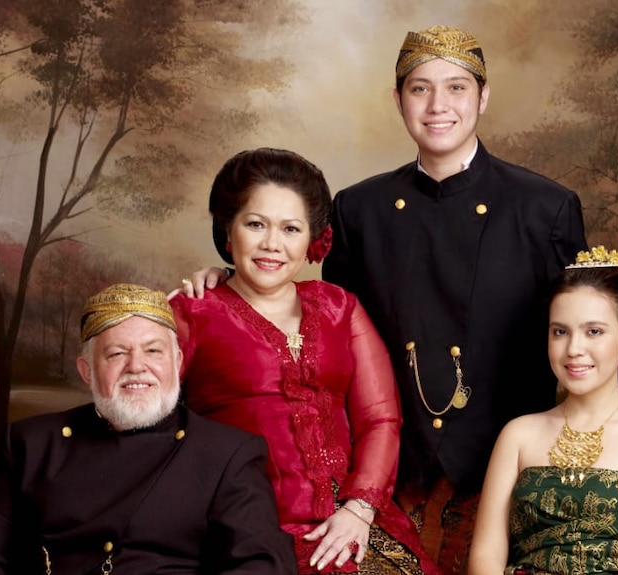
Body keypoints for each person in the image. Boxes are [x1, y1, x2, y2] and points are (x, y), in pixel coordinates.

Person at [179, 25, 618, 574]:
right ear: (398, 101)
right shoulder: (359, 208)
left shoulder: (544, 206)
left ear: (483, 97)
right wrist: (230, 277)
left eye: (457, 88)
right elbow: (316, 312)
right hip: (398, 465)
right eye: (419, 89)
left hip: (506, 456)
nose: (438, 105)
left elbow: (596, 307)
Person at [169, 148, 441, 575]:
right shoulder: (193, 312)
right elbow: (148, 418)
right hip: (249, 526)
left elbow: (380, 419)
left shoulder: (338, 306)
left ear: (311, 239)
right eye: (255, 224)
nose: (272, 245)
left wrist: (360, 508)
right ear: (228, 230)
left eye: (290, 229)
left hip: (352, 519)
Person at [0, 283, 296, 575]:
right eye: (117, 353)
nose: (137, 367)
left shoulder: (229, 453)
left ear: (176, 363)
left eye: (153, 351)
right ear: (86, 370)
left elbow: (260, 564)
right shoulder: (31, 444)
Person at [469, 247, 618, 574]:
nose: (573, 349)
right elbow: (484, 559)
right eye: (560, 331)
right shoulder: (518, 435)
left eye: (594, 331)